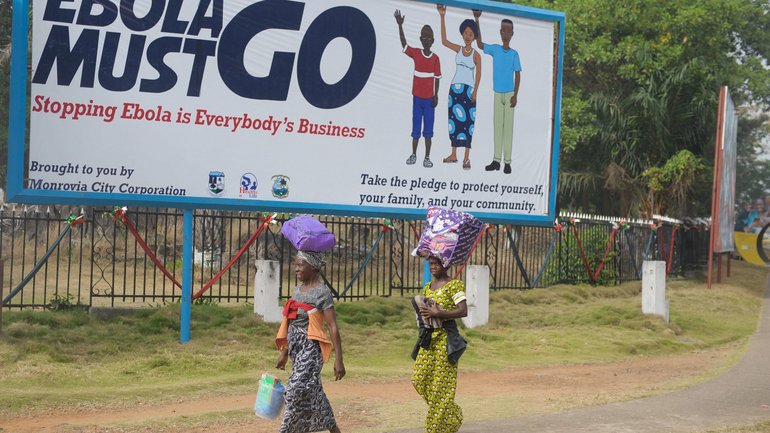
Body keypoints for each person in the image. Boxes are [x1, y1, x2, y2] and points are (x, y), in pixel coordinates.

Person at [276, 251, 346, 433]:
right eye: (296, 264)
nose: (296, 268)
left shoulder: (322, 292)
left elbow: (332, 327)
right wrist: (284, 352)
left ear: (313, 267)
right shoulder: (297, 290)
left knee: (293, 391)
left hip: (311, 348)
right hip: (296, 348)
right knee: (314, 393)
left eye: (301, 265)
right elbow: (291, 320)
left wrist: (339, 360)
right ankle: (333, 429)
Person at [411, 253, 468, 433]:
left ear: (446, 264)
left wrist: (439, 313)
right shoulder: (428, 287)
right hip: (429, 339)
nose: (433, 267)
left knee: (440, 387)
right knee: (418, 379)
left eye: (437, 263)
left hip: (446, 341)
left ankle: (433, 428)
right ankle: (452, 414)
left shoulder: (454, 285)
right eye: (431, 263)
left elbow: (463, 310)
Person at [473, 10, 522, 174]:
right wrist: (477, 19)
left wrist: (515, 94)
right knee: (497, 127)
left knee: (508, 128)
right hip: (497, 93)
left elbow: (518, 74)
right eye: (503, 31)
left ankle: (507, 162)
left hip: (509, 94)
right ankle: (496, 160)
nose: (506, 34)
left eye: (509, 31)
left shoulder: (514, 54)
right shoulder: (495, 49)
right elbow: (479, 45)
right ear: (500, 32)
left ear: (512, 34)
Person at [395, 10, 442, 169]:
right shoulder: (416, 53)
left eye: (429, 37)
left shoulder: (436, 58)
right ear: (421, 39)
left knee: (428, 129)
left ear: (433, 40)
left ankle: (427, 157)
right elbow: (404, 45)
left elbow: (437, 78)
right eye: (424, 37)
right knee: (416, 128)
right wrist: (400, 26)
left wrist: (436, 95)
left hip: (429, 100)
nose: (427, 40)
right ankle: (414, 154)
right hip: (417, 99)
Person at [438, 4, 482, 170]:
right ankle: (454, 154)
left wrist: (475, 91)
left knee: (468, 122)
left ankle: (466, 158)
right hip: (455, 88)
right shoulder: (459, 49)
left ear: (474, 36)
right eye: (466, 33)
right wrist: (442, 16)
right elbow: (444, 41)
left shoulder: (476, 55)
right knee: (454, 121)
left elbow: (479, 75)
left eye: (471, 34)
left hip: (468, 90)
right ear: (462, 34)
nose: (468, 36)